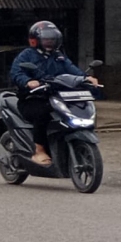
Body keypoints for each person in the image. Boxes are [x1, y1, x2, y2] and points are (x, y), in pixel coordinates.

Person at [9, 20, 98, 168]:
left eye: (52, 39)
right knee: (42, 113)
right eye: (46, 39)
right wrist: (28, 81)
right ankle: (39, 150)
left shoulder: (59, 56)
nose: (49, 42)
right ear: (35, 40)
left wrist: (85, 78)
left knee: (75, 109)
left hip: (55, 96)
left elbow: (72, 70)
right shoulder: (26, 55)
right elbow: (16, 72)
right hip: (32, 98)